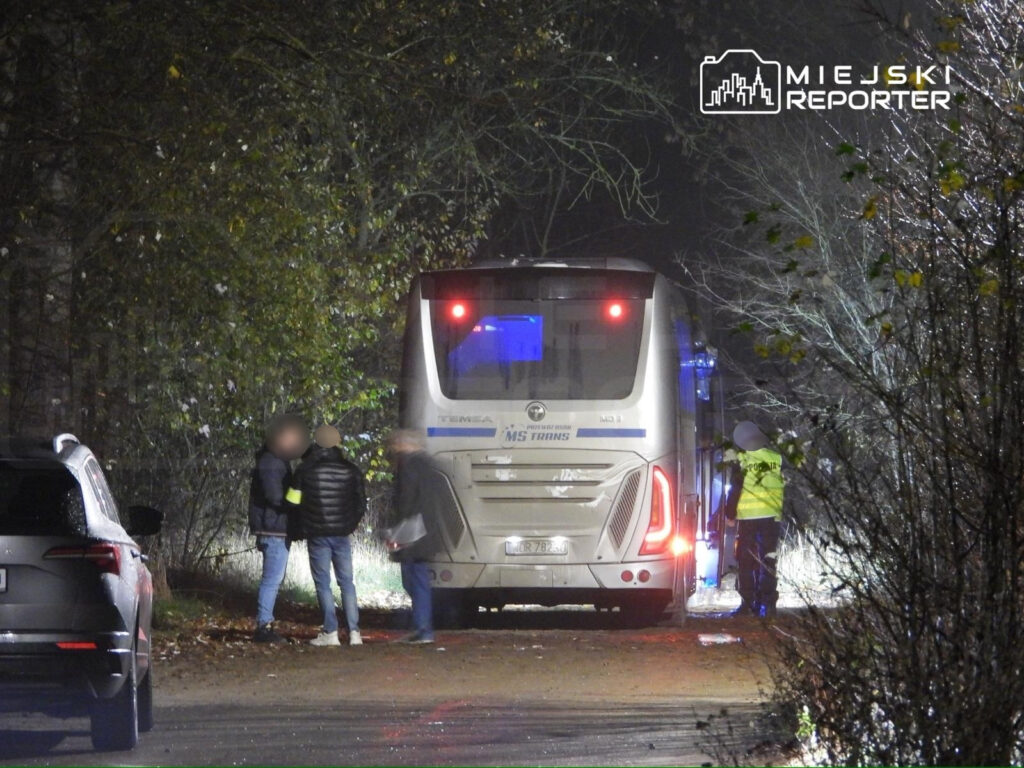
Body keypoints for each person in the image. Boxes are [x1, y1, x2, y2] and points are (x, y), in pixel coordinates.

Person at [286, 425, 366, 647]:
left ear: (316, 443)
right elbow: (361, 504)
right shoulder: (351, 470)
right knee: (347, 583)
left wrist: (302, 525)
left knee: (323, 583)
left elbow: (292, 502)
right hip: (342, 534)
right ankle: (354, 633)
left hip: (317, 534)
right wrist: (349, 524)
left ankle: (330, 632)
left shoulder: (305, 470)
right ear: (338, 443)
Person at [248, 414, 309, 643]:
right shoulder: (272, 462)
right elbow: (275, 497)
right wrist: (294, 504)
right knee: (272, 580)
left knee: (273, 578)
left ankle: (265, 624)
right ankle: (264, 626)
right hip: (273, 528)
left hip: (274, 527)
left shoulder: (273, 461)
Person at [386, 430, 445, 645]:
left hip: (412, 533)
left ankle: (423, 629)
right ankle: (421, 627)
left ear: (405, 444)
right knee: (418, 580)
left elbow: (405, 500)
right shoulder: (430, 465)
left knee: (414, 580)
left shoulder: (409, 466)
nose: (394, 447)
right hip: (427, 531)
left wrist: (395, 530)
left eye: (397, 443)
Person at [724, 420, 784, 618]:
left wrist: (729, 514)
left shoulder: (743, 461)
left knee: (746, 561)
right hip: (772, 517)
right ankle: (769, 604)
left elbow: (736, 490)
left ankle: (748, 603)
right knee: (768, 560)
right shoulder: (776, 458)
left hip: (749, 518)